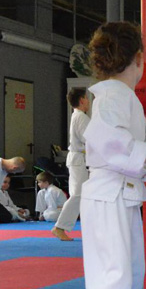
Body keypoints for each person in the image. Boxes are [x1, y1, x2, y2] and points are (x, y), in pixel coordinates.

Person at [57, 22, 146, 289]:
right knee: (114, 274)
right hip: (109, 193)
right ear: (139, 58)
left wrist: (143, 149)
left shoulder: (119, 95)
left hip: (122, 193)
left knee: (132, 271)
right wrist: (145, 153)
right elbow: (105, 139)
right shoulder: (113, 95)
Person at [53, 87, 90, 241]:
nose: (88, 101)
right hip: (78, 158)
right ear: (82, 100)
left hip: (79, 158)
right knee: (77, 194)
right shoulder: (81, 117)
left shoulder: (78, 116)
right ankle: (60, 227)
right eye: (86, 98)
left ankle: (65, 226)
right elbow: (88, 139)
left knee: (83, 194)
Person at [0, 156, 27, 225]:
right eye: (15, 172)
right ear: (14, 168)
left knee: (7, 217)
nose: (14, 173)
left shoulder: (3, 171)